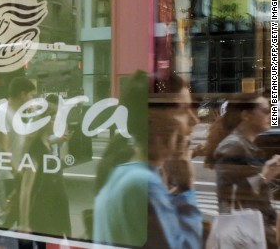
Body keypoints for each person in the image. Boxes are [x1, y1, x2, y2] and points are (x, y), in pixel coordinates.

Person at [93, 71, 202, 248]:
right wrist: (187, 188)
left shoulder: (122, 171)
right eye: (183, 110)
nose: (194, 119)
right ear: (155, 120)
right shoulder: (144, 183)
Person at [205, 94, 280, 248]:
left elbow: (258, 197)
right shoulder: (232, 146)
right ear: (246, 115)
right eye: (265, 110)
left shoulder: (247, 145)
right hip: (245, 235)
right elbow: (229, 192)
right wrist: (264, 176)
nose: (270, 114)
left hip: (256, 232)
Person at [19, 102, 72, 239]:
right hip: (43, 210)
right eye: (54, 119)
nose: (57, 123)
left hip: (54, 206)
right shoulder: (36, 149)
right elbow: (26, 190)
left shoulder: (46, 143)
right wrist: (24, 224)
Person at [0, 77, 36, 226]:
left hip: (17, 174)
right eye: (31, 95)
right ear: (22, 94)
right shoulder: (2, 113)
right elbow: (2, 149)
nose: (32, 99)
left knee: (17, 218)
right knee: (6, 220)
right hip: (8, 175)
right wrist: (16, 173)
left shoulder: (15, 113)